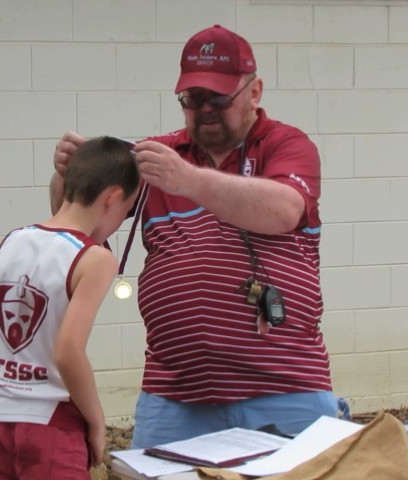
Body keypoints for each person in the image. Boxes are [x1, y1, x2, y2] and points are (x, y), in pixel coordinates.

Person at [51, 25, 337, 449]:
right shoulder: (159, 156)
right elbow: (79, 223)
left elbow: (283, 209)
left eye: (218, 98)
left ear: (254, 92)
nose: (204, 109)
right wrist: (67, 176)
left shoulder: (285, 145)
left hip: (286, 387)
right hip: (175, 393)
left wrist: (188, 181)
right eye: (192, 99)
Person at [0, 136, 140, 479]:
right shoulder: (95, 258)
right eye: (126, 213)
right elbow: (68, 351)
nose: (120, 222)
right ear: (113, 198)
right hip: (51, 425)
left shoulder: (12, 240)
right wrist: (97, 423)